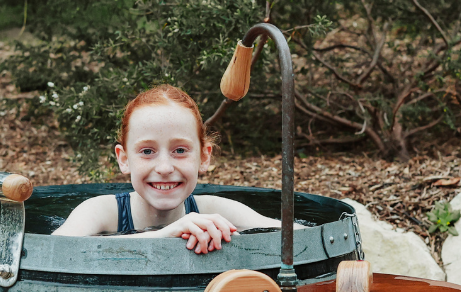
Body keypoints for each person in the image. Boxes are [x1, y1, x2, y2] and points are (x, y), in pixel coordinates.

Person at [53, 84, 286, 253]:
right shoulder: (102, 212)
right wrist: (163, 235)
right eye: (147, 152)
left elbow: (298, 235)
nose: (164, 168)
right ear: (124, 159)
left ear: (204, 157)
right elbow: (55, 249)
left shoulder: (215, 210)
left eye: (180, 151)